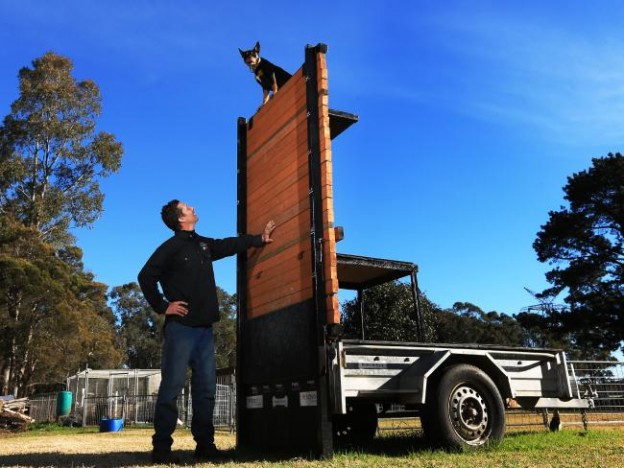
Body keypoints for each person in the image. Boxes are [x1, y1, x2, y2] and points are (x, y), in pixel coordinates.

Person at [138, 199, 275, 463]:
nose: (193, 208)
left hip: (204, 332)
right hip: (180, 331)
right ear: (180, 218)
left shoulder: (201, 244)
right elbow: (145, 277)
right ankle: (162, 448)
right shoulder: (170, 247)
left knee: (206, 389)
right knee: (172, 387)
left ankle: (205, 446)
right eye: (188, 207)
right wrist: (163, 306)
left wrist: (258, 239)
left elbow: (226, 245)